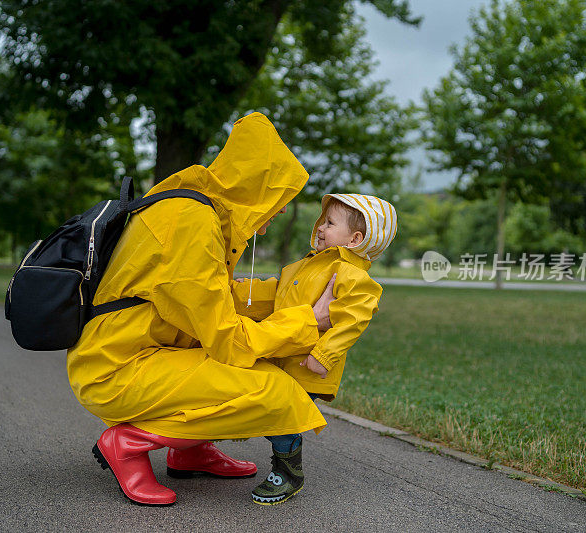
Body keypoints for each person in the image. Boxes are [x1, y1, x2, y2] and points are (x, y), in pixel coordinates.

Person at [66, 112, 336, 506]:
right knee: (274, 390)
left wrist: (292, 291)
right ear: (254, 188)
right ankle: (126, 443)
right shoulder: (190, 223)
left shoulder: (197, 211)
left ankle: (189, 450)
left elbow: (211, 297)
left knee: (242, 370)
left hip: (135, 353)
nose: (279, 211)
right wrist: (308, 319)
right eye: (278, 199)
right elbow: (227, 339)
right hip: (118, 369)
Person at [231, 193, 398, 505]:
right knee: (272, 410)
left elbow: (351, 321)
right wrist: (240, 292)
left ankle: (288, 474)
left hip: (308, 365)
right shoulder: (305, 265)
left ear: (355, 239)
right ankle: (275, 456)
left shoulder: (351, 276)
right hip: (284, 356)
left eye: (331, 223)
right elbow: (278, 292)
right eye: (323, 220)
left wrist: (323, 356)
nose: (320, 227)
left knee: (283, 416)